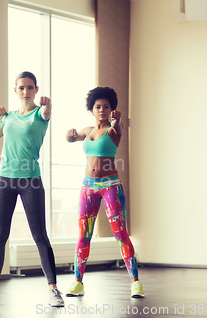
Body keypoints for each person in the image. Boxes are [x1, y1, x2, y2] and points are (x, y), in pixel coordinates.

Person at [0, 71, 64, 307]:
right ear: (15, 91)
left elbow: (47, 112)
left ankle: (53, 289)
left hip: (30, 181)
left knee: (40, 236)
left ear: (36, 90)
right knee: (0, 236)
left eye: (29, 87)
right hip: (5, 180)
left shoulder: (40, 114)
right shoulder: (8, 118)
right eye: (21, 88)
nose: (25, 91)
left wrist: (47, 105)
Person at [64, 86, 144, 298]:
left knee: (120, 234)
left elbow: (118, 128)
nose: (102, 110)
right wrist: (69, 135)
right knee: (84, 235)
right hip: (88, 187)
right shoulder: (88, 130)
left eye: (106, 107)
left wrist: (117, 121)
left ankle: (135, 282)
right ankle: (77, 282)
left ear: (111, 109)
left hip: (110, 187)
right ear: (91, 109)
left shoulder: (112, 129)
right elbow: (71, 138)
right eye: (98, 107)